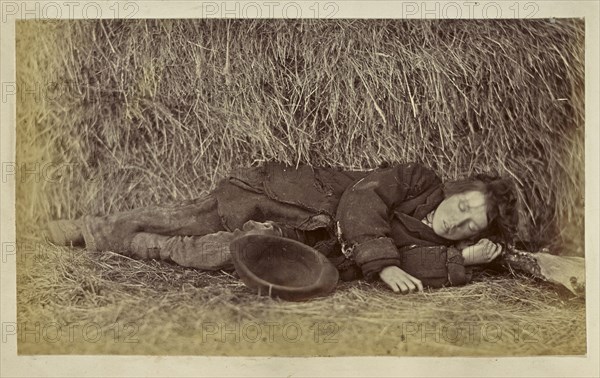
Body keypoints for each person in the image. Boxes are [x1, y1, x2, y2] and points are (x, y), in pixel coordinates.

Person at [47, 161, 518, 294]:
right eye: (463, 205)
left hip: (294, 238)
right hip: (283, 198)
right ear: (455, 191)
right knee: (181, 217)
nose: (457, 218)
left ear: (473, 235)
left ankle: (135, 245)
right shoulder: (418, 181)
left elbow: (411, 264)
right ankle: (82, 229)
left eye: (470, 224)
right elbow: (362, 198)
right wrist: (383, 261)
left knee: (208, 252)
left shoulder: (436, 248)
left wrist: (457, 261)